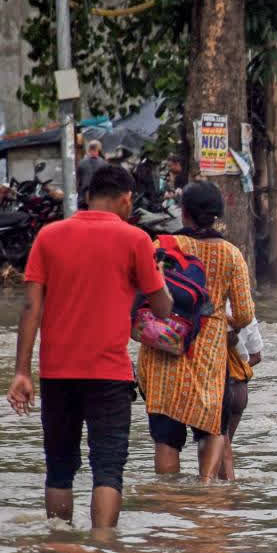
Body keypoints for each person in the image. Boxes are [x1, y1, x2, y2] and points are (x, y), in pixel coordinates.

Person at [6, 165, 170, 530]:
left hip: (56, 373)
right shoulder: (135, 240)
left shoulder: (48, 237)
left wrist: (21, 372)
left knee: (60, 468)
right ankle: (103, 549)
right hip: (108, 374)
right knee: (108, 468)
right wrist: (154, 273)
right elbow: (163, 307)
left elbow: (31, 308)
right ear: (126, 199)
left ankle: (60, 547)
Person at [139, 182, 255, 480]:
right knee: (210, 430)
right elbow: (244, 313)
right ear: (218, 214)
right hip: (209, 357)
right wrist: (219, 321)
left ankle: (169, 502)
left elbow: (141, 296)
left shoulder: (161, 247)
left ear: (184, 212)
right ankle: (204, 495)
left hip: (164, 347)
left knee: (166, 438)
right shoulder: (231, 254)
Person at [220, 304, 263, 481]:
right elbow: (257, 356)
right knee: (224, 444)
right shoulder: (246, 313)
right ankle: (226, 489)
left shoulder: (210, 308)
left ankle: (225, 494)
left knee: (217, 447)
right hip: (239, 389)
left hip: (218, 386)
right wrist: (238, 370)